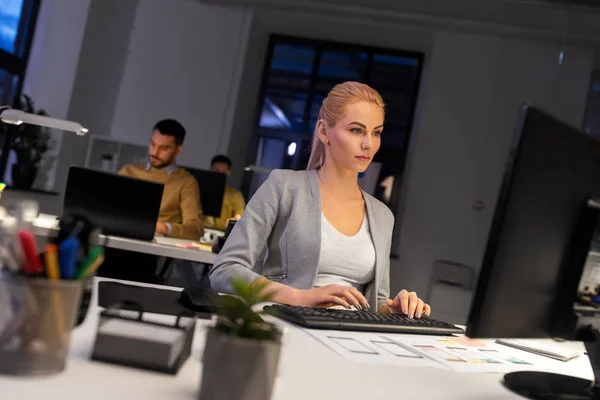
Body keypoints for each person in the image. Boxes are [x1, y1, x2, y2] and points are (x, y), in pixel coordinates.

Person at [210, 82, 430, 318]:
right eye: (357, 130)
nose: (368, 143)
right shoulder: (284, 186)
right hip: (287, 324)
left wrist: (395, 308)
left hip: (350, 337)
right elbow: (225, 270)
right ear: (324, 132)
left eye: (376, 132)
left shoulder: (383, 216)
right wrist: (300, 297)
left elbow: (375, 302)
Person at [119, 119, 203, 240]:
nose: (154, 152)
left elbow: (196, 229)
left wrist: (164, 228)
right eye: (152, 144)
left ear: (177, 150)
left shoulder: (186, 182)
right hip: (121, 236)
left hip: (155, 247)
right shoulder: (129, 171)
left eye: (163, 148)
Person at [204, 154, 246, 230]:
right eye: (216, 171)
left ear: (228, 172)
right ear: (211, 169)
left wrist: (234, 220)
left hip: (222, 233)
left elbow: (240, 216)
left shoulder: (235, 195)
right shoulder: (199, 189)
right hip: (200, 230)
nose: (219, 175)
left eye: (222, 172)